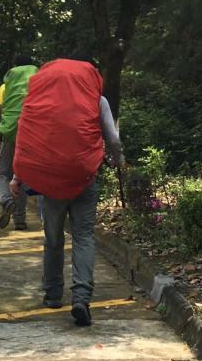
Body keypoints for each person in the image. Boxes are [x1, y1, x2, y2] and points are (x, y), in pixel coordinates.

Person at [10, 57, 123, 328]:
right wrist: (119, 160)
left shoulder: (41, 101)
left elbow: (27, 138)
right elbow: (113, 138)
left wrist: (17, 176)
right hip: (84, 176)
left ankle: (52, 294)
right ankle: (81, 298)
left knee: (53, 237)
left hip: (51, 182)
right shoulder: (98, 100)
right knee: (83, 237)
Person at [0, 60, 38, 231]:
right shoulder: (36, 85)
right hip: (31, 133)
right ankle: (20, 219)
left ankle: (6, 201)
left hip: (11, 133)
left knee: (5, 172)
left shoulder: (6, 87)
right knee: (21, 176)